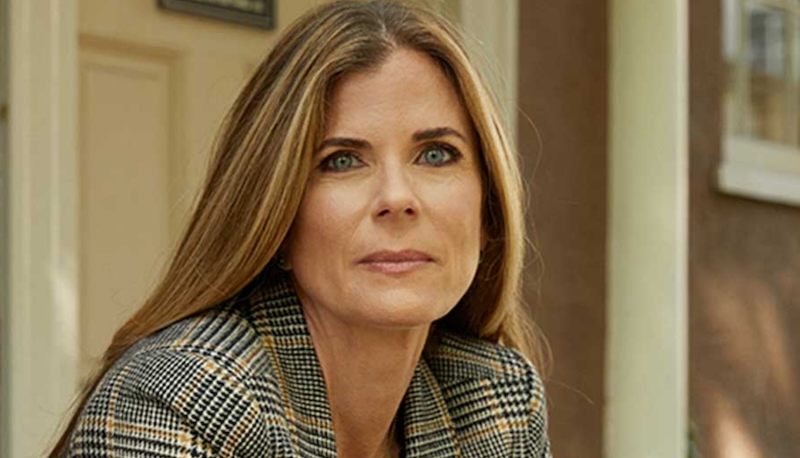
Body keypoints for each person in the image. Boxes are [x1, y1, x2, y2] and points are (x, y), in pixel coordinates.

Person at [48, 1, 552, 457]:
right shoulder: (178, 399)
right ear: (276, 216)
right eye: (342, 160)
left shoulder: (495, 402)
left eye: (436, 155)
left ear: (487, 210)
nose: (397, 198)